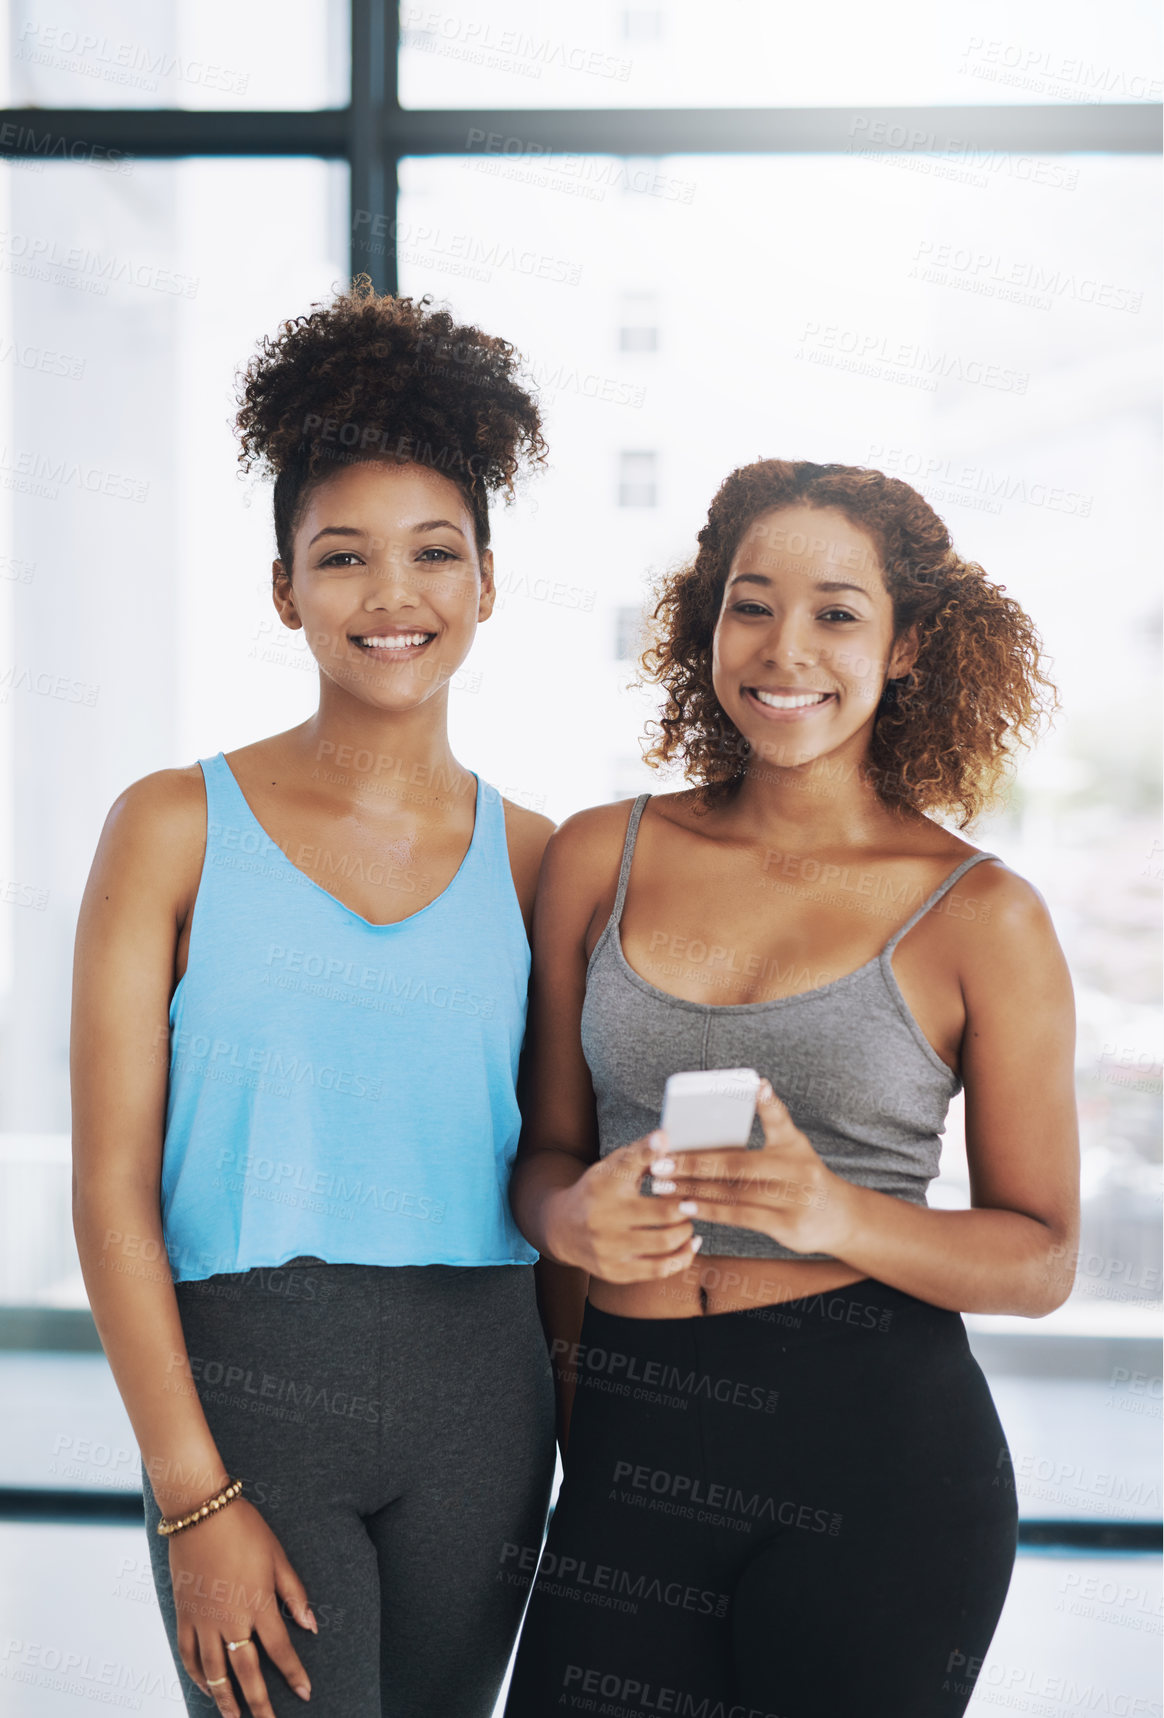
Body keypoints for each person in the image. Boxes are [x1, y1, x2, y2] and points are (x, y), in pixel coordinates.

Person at [503, 459, 1080, 1717]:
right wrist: (565, 1219)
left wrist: (835, 1214)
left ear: (910, 644)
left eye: (838, 612)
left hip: (877, 1456)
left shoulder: (982, 913)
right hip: (630, 1437)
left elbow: (1042, 1257)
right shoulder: (602, 854)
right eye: (751, 604)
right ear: (707, 621)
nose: (786, 649)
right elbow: (544, 1149)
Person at [70, 278, 557, 1718]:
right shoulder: (168, 824)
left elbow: (555, 1168)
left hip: (487, 1400)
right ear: (285, 585)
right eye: (343, 556)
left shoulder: (542, 860)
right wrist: (190, 1496)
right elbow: (108, 1188)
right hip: (248, 1396)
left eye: (433, 553)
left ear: (485, 580)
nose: (391, 596)